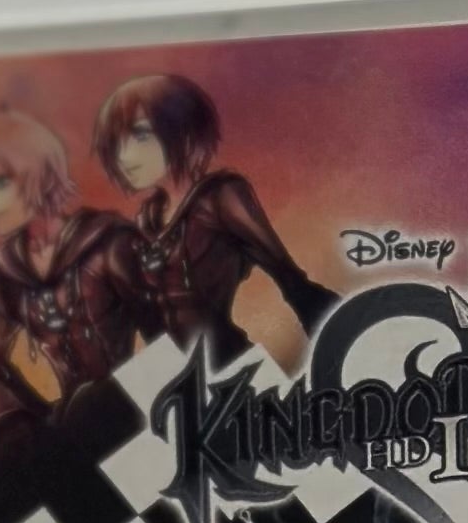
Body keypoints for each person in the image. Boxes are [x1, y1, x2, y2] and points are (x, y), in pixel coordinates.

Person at [95, 71, 335, 368]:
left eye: (141, 134)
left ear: (183, 130)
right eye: (115, 143)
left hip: (233, 372)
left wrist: (345, 344)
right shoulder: (147, 218)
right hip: (178, 377)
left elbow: (291, 280)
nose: (124, 156)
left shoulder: (220, 197)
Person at [0, 106, 156, 427]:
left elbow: (166, 332)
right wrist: (13, 427)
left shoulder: (107, 242)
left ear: (39, 178)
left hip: (140, 409)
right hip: (73, 419)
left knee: (87, 406)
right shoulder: (9, 270)